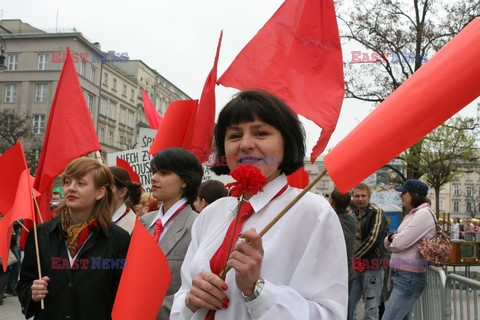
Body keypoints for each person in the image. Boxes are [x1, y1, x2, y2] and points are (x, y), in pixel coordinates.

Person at [171, 89, 348, 319]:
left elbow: (330, 314)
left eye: (261, 133)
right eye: (234, 136)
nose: (245, 144)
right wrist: (189, 301)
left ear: (287, 142)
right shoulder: (211, 214)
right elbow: (183, 296)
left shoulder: (313, 213)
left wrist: (257, 290)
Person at [16, 157, 130, 320]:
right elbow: (24, 283)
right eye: (67, 182)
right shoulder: (40, 233)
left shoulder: (118, 239)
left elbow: (122, 295)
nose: (71, 188)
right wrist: (32, 293)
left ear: (100, 192)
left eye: (81, 183)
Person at [140, 147, 203, 319]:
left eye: (164, 172)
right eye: (153, 172)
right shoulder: (144, 222)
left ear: (185, 181)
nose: (153, 178)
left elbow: (193, 288)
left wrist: (146, 311)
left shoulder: (197, 224)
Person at [382, 179, 436, 320]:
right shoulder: (413, 214)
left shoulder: (423, 214)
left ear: (415, 194)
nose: (401, 196)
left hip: (409, 277)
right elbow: (391, 242)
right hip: (403, 275)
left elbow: (399, 243)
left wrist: (392, 238)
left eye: (404, 193)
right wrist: (392, 238)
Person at [348, 183, 388, 320]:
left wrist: (354, 256)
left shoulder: (376, 212)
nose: (360, 199)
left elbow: (374, 239)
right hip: (356, 267)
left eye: (363, 196)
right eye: (357, 196)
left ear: (369, 197)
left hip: (373, 265)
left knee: (371, 308)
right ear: (353, 197)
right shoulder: (353, 214)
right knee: (348, 304)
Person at [329, 188, 357, 289]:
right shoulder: (352, 219)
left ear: (331, 201)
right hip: (348, 271)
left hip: (337, 273)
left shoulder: (332, 220)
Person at [110, 166, 142, 234]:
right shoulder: (92, 222)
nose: (101, 191)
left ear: (122, 192)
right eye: (98, 186)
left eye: (108, 187)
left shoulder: (135, 226)